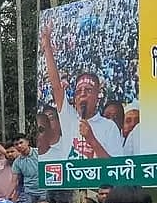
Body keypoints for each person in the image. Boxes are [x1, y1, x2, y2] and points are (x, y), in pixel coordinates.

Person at [40, 23, 123, 159]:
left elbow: (115, 167)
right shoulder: (69, 118)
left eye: (89, 90)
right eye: (79, 91)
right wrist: (47, 46)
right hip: (72, 179)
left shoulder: (109, 127)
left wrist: (91, 140)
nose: (82, 94)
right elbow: (56, 86)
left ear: (98, 96)